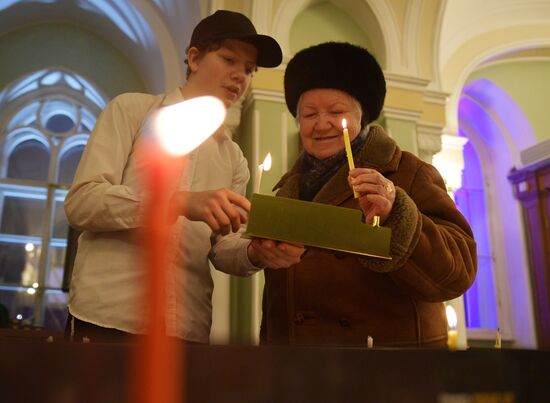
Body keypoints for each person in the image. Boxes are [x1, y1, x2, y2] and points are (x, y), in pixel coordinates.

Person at [64, 10, 302, 343]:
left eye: (249, 70)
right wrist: (176, 202)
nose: (240, 76)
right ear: (193, 58)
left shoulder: (233, 158)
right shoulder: (131, 111)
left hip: (185, 328)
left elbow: (222, 248)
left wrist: (256, 253)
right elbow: (82, 203)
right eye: (229, 59)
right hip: (109, 318)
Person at [259, 42, 477, 347]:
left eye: (336, 112)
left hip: (384, 375)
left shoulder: (408, 173)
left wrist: (398, 215)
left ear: (362, 116)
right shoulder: (287, 192)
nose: (321, 124)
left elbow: (459, 272)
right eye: (309, 114)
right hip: (299, 376)